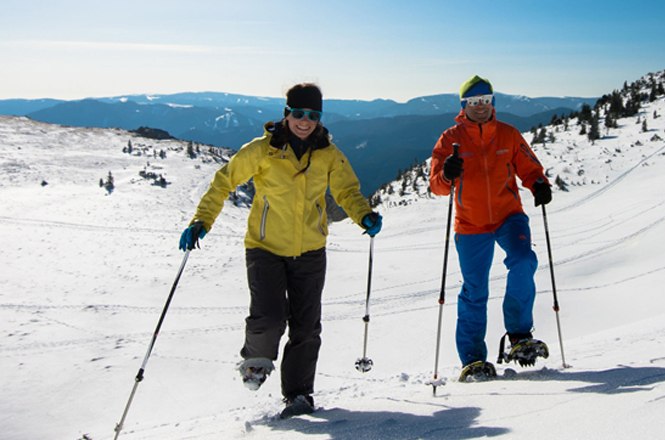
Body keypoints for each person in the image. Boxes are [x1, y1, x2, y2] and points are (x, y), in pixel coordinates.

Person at [179, 83, 382, 417]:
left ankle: (299, 395)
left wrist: (364, 215)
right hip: (265, 248)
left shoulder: (328, 154)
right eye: (299, 113)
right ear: (286, 113)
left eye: (313, 115)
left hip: (311, 250)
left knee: (306, 326)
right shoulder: (262, 150)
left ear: (319, 118)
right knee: (269, 315)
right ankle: (256, 364)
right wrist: (202, 220)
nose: (305, 121)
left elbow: (347, 190)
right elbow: (224, 181)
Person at [429, 75, 552, 381]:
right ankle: (472, 359)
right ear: (463, 106)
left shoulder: (508, 135)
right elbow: (437, 186)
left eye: (485, 101)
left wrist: (538, 183)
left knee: (524, 261)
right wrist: (447, 174)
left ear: (493, 103)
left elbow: (528, 166)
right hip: (470, 224)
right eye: (474, 102)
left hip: (508, 215)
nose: (480, 107)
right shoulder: (450, 139)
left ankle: (520, 336)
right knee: (475, 290)